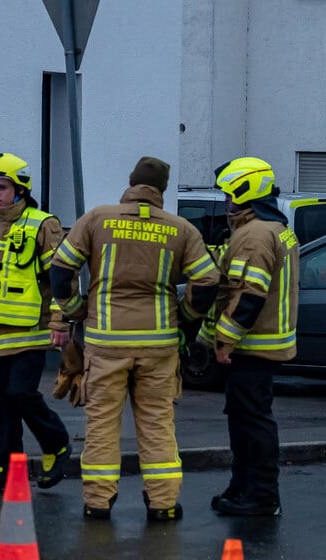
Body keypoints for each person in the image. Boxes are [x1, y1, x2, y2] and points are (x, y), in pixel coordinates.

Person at [50, 156, 220, 521]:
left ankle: (97, 502)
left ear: (131, 184)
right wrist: (185, 319)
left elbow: (61, 269)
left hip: (105, 341)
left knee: (102, 424)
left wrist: (76, 309)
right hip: (159, 346)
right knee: (158, 423)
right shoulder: (181, 229)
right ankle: (163, 504)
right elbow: (207, 281)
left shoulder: (97, 219)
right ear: (161, 190)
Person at [0, 153, 73, 492]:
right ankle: (5, 469)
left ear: (20, 190)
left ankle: (56, 443)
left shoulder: (42, 225)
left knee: (20, 393)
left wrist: (59, 322)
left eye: (2, 187)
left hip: (31, 333)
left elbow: (60, 279)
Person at [205, 157, 298, 517]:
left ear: (245, 193)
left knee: (253, 422)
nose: (226, 202)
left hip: (252, 345)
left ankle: (261, 495)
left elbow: (249, 294)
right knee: (244, 418)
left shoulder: (255, 234)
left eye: (229, 195)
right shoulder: (273, 227)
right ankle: (243, 487)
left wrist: (225, 340)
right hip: (262, 343)